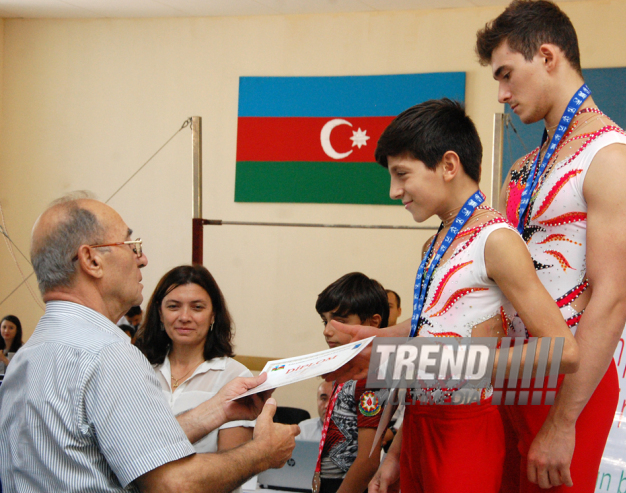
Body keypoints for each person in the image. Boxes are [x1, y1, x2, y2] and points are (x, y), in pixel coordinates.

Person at [324, 99, 579, 493]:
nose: (394, 191)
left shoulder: (496, 241)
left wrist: (408, 358)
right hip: (419, 422)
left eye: (402, 175)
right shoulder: (435, 242)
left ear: (448, 165)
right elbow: (441, 328)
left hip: (465, 428)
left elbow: (563, 352)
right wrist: (377, 340)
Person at [0, 193, 299, 493]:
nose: (142, 259)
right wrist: (262, 453)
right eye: (131, 246)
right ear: (91, 260)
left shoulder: (27, 357)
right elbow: (171, 485)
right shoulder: (109, 354)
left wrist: (217, 409)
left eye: (197, 307)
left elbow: (133, 449)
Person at [475, 1, 626, 491]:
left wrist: (563, 421)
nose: (504, 94)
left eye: (507, 75)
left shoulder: (612, 157)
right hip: (507, 375)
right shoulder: (522, 168)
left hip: (564, 384)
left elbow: (611, 298)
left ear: (548, 56)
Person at [134, 265, 255, 462]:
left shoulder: (235, 377)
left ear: (213, 314)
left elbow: (231, 468)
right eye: (173, 306)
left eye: (197, 307)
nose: (184, 317)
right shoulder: (138, 367)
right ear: (160, 313)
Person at [315, 272, 390, 493]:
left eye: (340, 321)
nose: (327, 330)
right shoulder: (348, 371)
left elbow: (368, 461)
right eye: (325, 320)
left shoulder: (369, 377)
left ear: (372, 323)